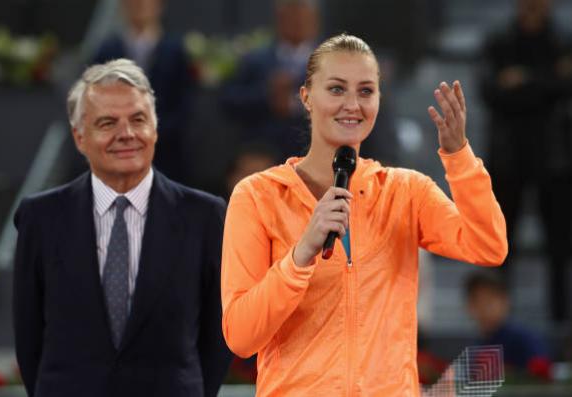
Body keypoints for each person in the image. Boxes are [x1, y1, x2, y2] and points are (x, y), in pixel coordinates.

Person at [221, 34, 507, 396]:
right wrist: (300, 256)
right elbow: (240, 336)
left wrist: (459, 157)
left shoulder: (406, 192)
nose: (352, 104)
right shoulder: (257, 196)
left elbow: (489, 246)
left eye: (366, 91)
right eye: (337, 89)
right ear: (306, 97)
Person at [13, 59, 231, 397]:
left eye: (138, 120)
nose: (126, 134)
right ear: (79, 138)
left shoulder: (204, 216)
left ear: (155, 130)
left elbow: (219, 337)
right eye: (107, 123)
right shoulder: (40, 218)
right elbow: (28, 339)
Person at [478, 0, 572, 321]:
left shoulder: (563, 39)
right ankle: (495, 324)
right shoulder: (499, 39)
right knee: (501, 245)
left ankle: (562, 330)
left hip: (556, 159)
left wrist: (523, 81)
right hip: (508, 157)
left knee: (560, 249)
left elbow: (565, 87)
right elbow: (489, 90)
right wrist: (547, 82)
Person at [93, 0, 194, 183]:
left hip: (166, 156)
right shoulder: (107, 50)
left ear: (159, 5)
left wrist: (148, 134)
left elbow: (185, 105)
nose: (139, 5)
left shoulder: (175, 50)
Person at [221, 0, 320, 161]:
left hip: (313, 156)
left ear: (315, 21)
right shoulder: (254, 60)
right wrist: (267, 95)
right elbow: (228, 101)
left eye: (303, 18)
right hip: (261, 155)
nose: (298, 24)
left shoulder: (330, 62)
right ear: (279, 20)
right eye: (292, 18)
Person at [465, 271, 552, 381]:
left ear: (505, 301)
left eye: (490, 301)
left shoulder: (525, 339)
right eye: (478, 301)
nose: (484, 307)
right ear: (469, 306)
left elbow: (542, 378)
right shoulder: (477, 344)